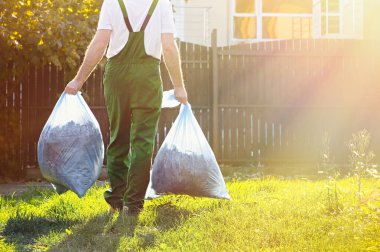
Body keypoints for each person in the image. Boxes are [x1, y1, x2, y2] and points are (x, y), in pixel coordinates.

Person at [64, 0, 188, 215]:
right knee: (143, 141)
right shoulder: (161, 4)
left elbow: (100, 44)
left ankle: (117, 199)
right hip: (147, 77)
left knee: (118, 138)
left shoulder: (112, 2)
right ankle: (133, 204)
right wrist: (179, 86)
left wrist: (78, 80)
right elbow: (168, 46)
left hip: (117, 76)